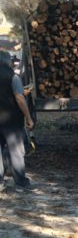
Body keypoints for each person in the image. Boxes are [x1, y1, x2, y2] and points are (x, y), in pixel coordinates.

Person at [0, 50, 34, 191]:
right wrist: (28, 117)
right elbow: (19, 99)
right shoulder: (13, 77)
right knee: (16, 151)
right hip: (12, 121)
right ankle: (20, 182)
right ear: (8, 61)